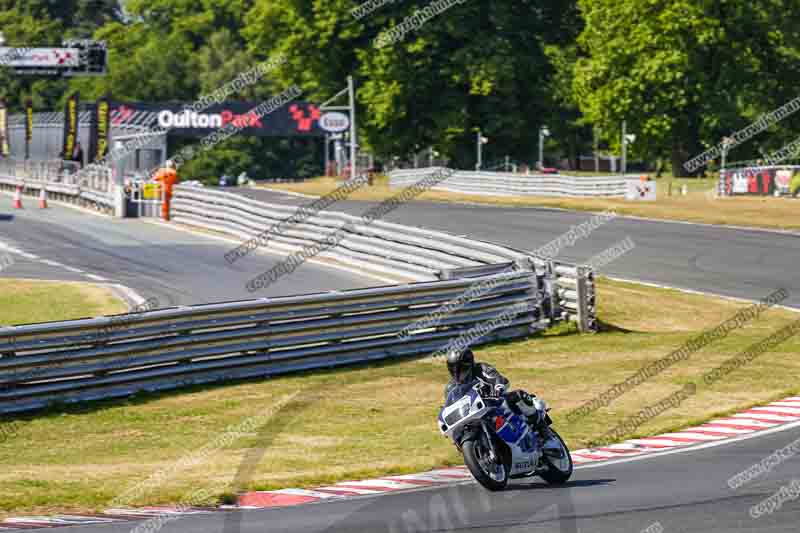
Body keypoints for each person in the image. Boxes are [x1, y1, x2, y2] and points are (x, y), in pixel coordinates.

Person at [445, 348, 549, 432]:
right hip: (472, 413)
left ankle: (542, 428)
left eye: (460, 368)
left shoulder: (481, 368)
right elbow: (450, 404)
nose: (457, 372)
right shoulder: (451, 387)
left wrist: (498, 387)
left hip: (495, 403)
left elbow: (497, 378)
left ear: (470, 364)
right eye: (453, 369)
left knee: (519, 396)